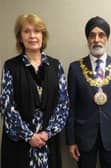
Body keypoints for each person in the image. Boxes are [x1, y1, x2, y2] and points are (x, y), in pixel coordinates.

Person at [0, 13, 69, 168]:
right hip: (20, 145)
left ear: (43, 36)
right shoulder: (11, 66)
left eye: (37, 31)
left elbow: (63, 105)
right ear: (20, 37)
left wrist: (46, 133)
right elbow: (7, 107)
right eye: (27, 31)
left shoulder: (56, 66)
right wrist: (29, 136)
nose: (32, 36)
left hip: (48, 142)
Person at [66, 16, 111, 168]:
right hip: (83, 138)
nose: (96, 39)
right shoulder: (75, 68)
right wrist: (71, 141)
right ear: (87, 39)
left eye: (101, 34)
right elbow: (71, 107)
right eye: (92, 35)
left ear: (107, 38)